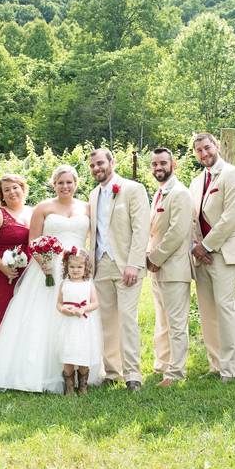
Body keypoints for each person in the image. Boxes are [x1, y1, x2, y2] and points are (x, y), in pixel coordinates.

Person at [0, 165, 101, 393]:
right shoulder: (43, 207)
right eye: (60, 182)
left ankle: (79, 371)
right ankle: (40, 373)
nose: (65, 186)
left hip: (77, 269)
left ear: (76, 184)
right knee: (43, 317)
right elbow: (33, 240)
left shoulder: (87, 207)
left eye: (69, 182)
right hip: (48, 268)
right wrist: (44, 262)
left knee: (78, 317)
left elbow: (92, 238)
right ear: (53, 184)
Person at [88, 148, 149, 392]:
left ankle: (133, 374)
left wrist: (134, 263)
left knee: (127, 319)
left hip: (126, 265)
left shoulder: (133, 189)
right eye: (93, 166)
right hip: (100, 264)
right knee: (105, 321)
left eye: (100, 163)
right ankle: (112, 372)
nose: (97, 169)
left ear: (111, 162)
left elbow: (141, 228)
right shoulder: (93, 195)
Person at [189, 133, 235, 381]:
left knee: (226, 308)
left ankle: (231, 368)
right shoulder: (195, 181)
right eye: (199, 150)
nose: (204, 153)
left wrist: (208, 246)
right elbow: (192, 218)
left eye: (207, 147)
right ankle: (215, 364)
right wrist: (195, 246)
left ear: (216, 147)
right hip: (200, 255)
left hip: (223, 252)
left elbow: (232, 216)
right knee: (207, 311)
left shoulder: (233, 174)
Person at [146, 148, 193, 387]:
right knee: (161, 321)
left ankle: (176, 372)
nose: (158, 168)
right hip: (157, 267)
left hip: (174, 268)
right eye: (154, 164)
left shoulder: (180, 193)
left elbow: (177, 232)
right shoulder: (159, 193)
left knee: (176, 323)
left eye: (163, 163)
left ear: (173, 164)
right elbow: (155, 230)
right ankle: (162, 363)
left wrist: (155, 258)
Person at [0, 174, 32, 365]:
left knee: (23, 320)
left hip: (26, 275)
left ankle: (14, 367)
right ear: (1, 195)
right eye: (6, 190)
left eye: (15, 187)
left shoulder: (32, 212)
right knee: (0, 321)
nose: (11, 192)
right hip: (0, 274)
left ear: (23, 188)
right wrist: (3, 268)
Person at [56, 248, 102, 396]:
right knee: (68, 353)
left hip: (83, 325)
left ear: (86, 268)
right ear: (66, 267)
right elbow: (59, 303)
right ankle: (69, 387)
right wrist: (64, 310)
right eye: (72, 267)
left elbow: (95, 303)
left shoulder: (88, 284)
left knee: (83, 353)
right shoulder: (64, 284)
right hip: (68, 325)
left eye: (79, 267)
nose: (76, 270)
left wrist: (84, 309)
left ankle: (83, 386)